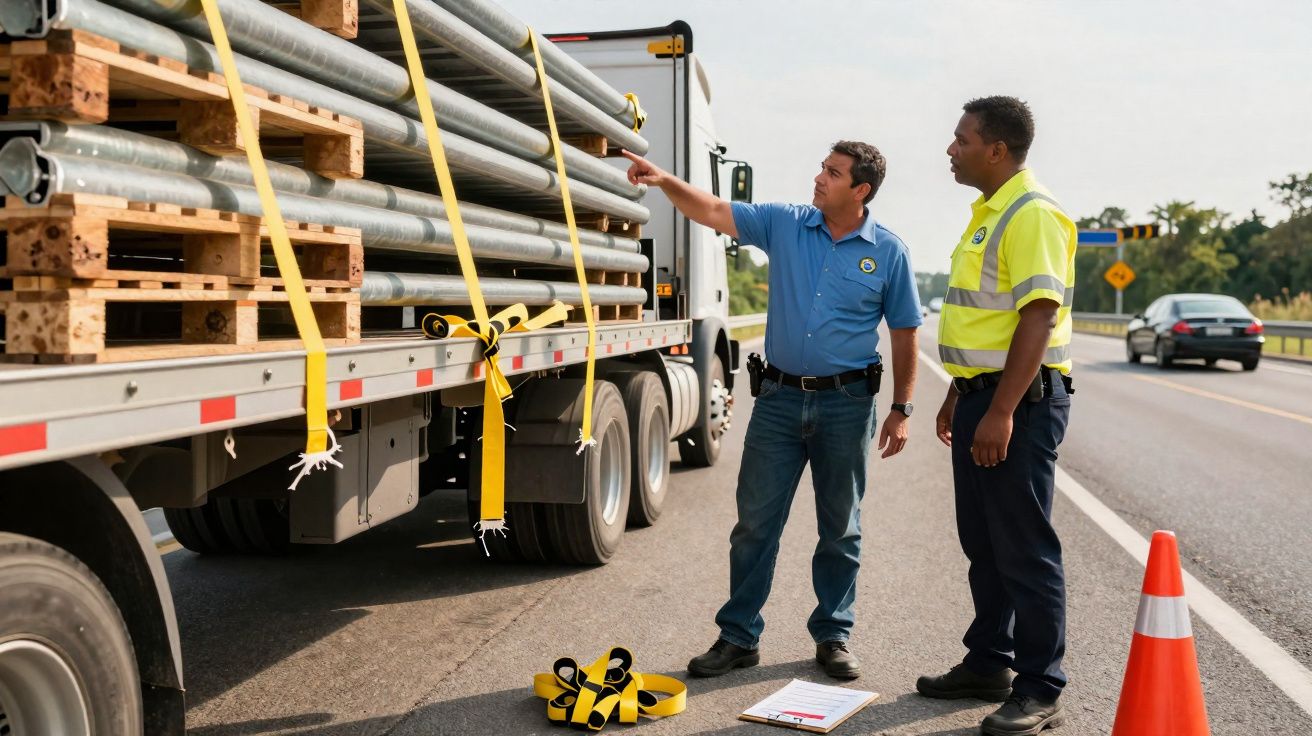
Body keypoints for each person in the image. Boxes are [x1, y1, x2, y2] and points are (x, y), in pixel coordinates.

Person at [622, 140, 922, 680]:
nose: (819, 177)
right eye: (821, 167)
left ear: (861, 190)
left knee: (841, 528)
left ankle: (833, 634)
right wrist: (663, 179)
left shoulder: (889, 252)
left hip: (848, 404)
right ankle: (739, 636)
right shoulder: (786, 223)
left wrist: (901, 407)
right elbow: (712, 209)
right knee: (755, 525)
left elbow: (905, 332)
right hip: (779, 401)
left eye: (833, 173)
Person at [915, 96, 1076, 736]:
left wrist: (1002, 408)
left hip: (1023, 401)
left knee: (1024, 548)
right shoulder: (988, 213)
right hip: (985, 392)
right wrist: (962, 391)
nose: (950, 149)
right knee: (984, 544)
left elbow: (1037, 314)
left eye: (961, 139)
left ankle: (1041, 687)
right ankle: (989, 663)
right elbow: (989, 317)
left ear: (996, 149)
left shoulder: (1030, 213)